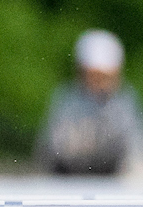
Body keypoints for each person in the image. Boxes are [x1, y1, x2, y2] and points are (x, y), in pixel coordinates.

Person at [36, 28, 143, 177]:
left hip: (114, 187)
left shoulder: (125, 103)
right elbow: (49, 154)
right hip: (69, 184)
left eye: (104, 76)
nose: (98, 83)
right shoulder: (66, 101)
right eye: (93, 75)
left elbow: (135, 156)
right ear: (81, 73)